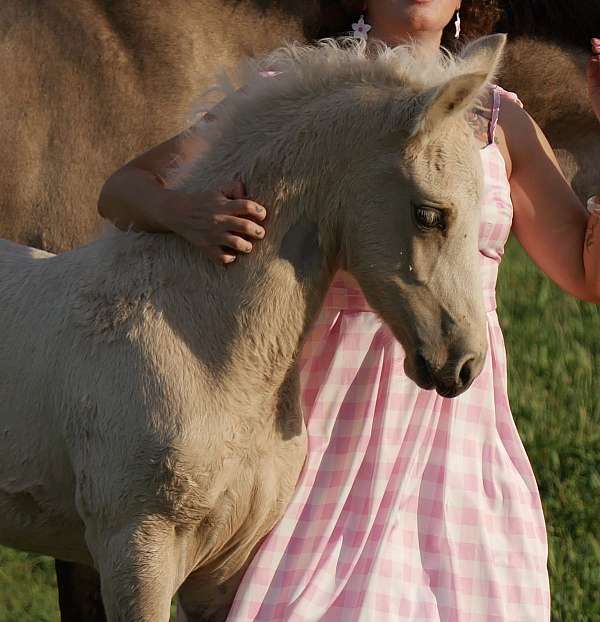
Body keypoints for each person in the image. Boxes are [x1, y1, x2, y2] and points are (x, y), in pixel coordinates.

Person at [98, 1, 600, 619]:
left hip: (457, 450)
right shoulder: (303, 96)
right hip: (312, 433)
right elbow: (121, 191)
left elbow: (584, 273)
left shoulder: (497, 118)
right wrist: (185, 211)